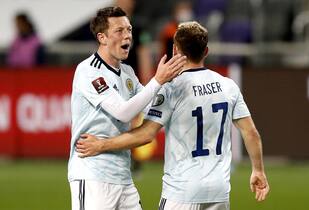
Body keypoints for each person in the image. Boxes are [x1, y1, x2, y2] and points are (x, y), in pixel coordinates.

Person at [76, 21, 270, 210]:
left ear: (176, 50)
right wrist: (258, 170)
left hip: (182, 190)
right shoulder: (228, 86)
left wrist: (102, 144)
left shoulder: (172, 88)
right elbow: (251, 133)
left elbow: (146, 135)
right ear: (206, 51)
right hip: (219, 191)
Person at [68, 6, 186, 210]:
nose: (127, 36)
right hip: (93, 174)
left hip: (122, 175)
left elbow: (150, 102)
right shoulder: (88, 71)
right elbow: (124, 113)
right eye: (119, 31)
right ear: (102, 37)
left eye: (129, 30)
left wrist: (175, 86)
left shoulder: (128, 73)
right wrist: (158, 80)